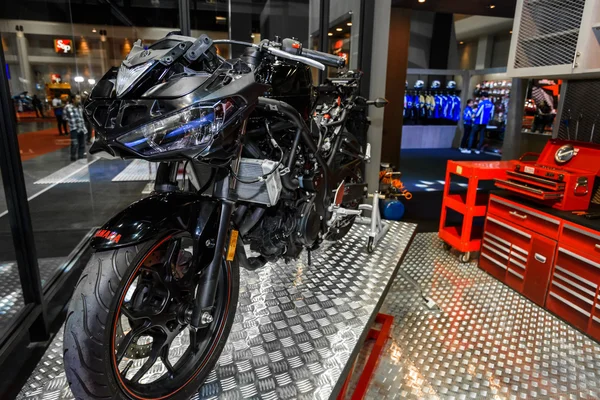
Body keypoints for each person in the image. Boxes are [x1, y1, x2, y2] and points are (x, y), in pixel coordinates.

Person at [63, 94, 88, 161]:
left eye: (79, 98)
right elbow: (64, 117)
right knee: (74, 144)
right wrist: (70, 121)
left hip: (81, 128)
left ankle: (81, 156)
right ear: (73, 99)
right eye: (77, 98)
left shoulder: (80, 107)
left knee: (82, 144)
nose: (79, 100)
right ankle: (73, 157)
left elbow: (82, 117)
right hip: (74, 128)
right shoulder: (67, 107)